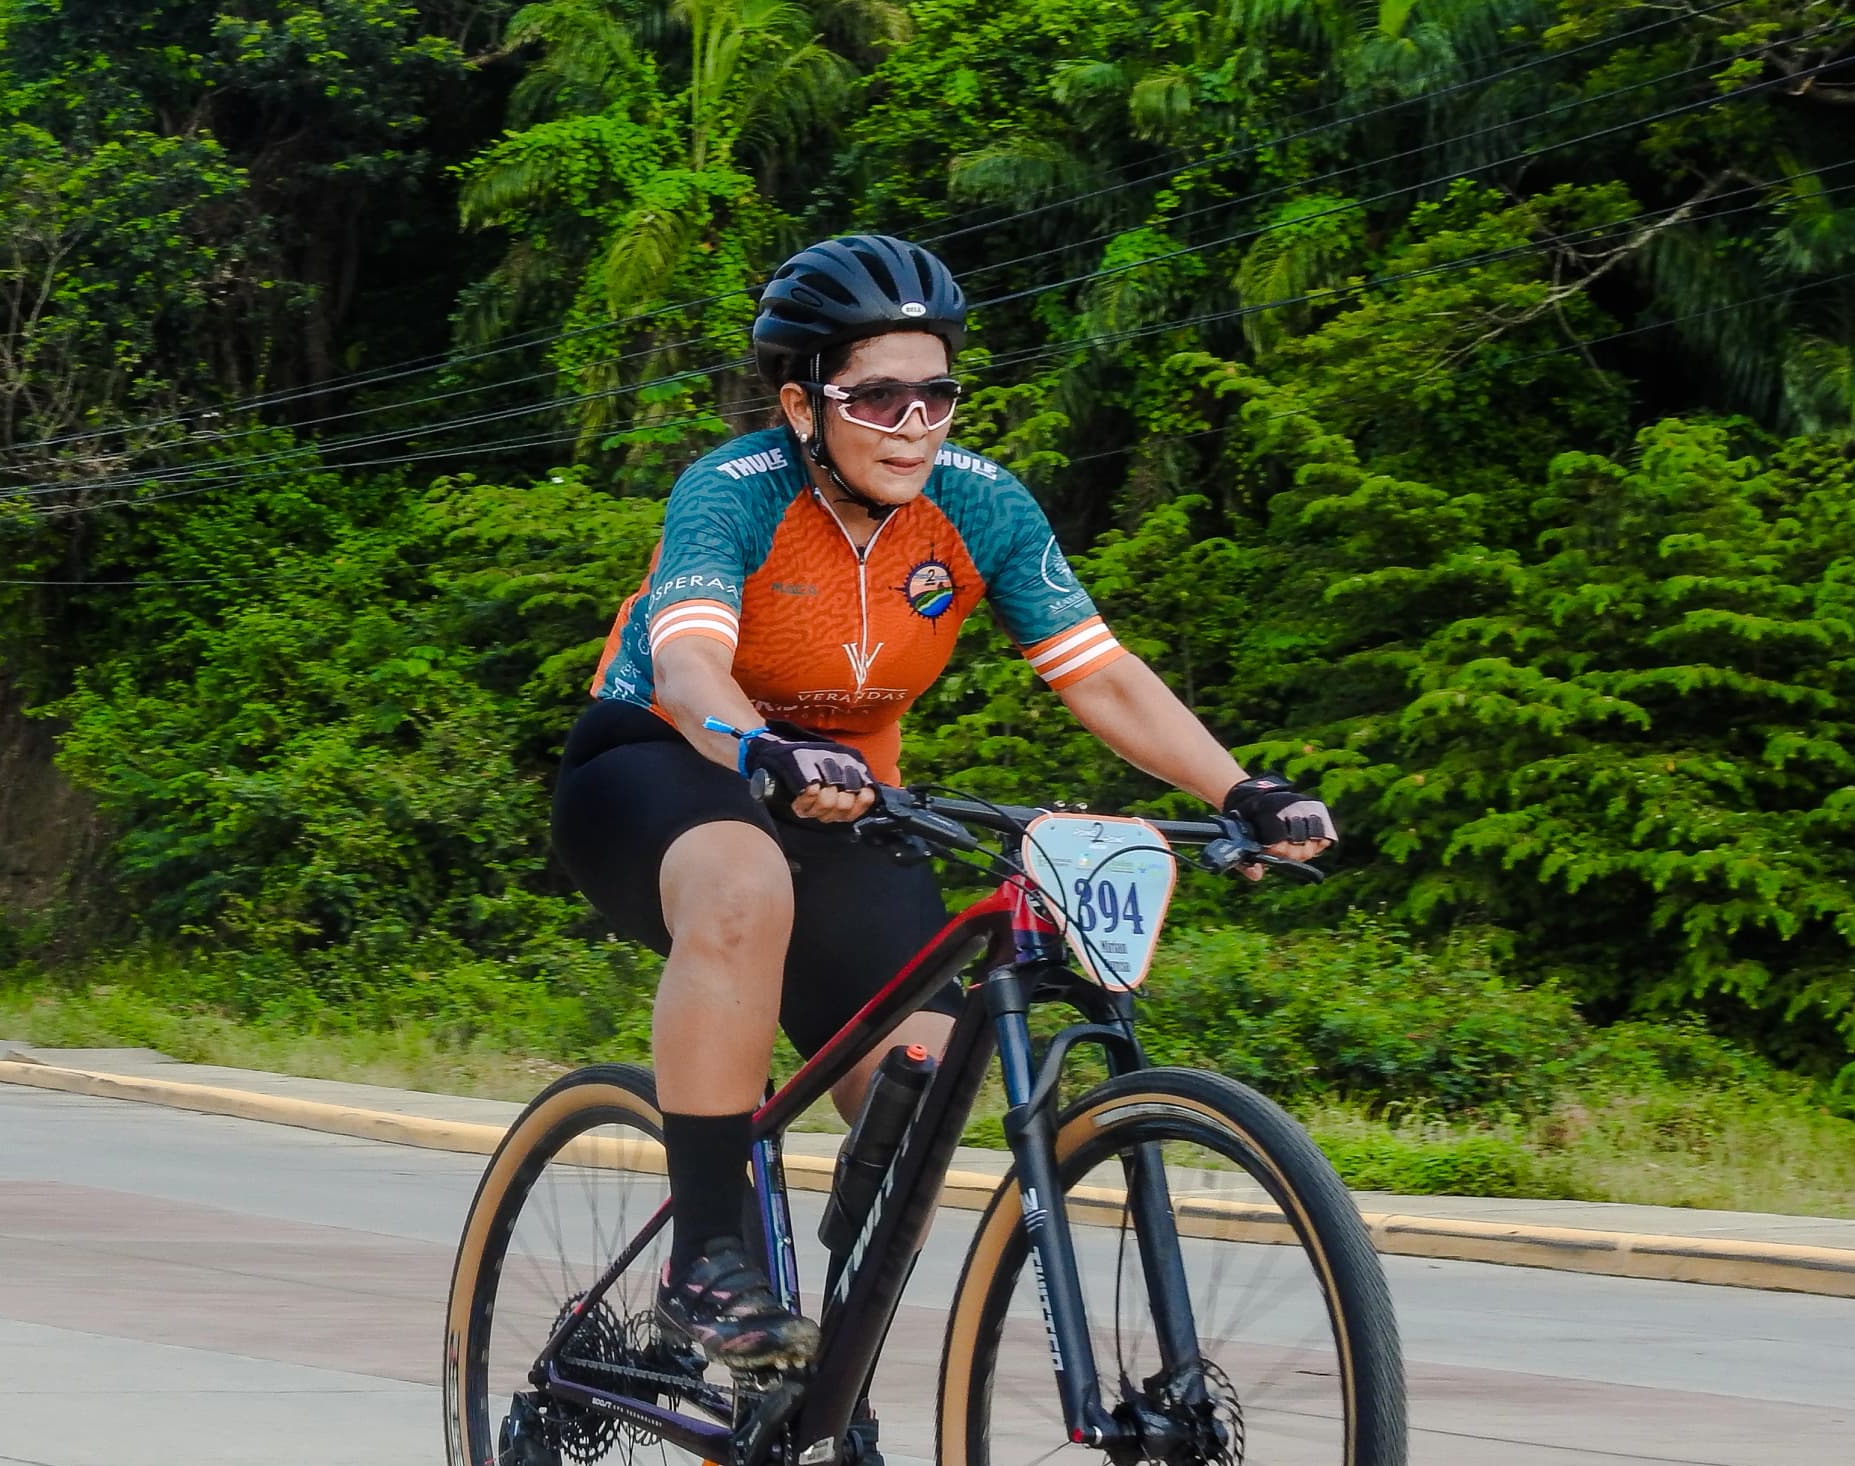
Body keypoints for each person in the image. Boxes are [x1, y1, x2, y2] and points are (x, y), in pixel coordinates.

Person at [552, 233, 1336, 1375]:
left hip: (850, 797)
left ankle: (821, 1395)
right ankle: (707, 1255)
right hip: (661, 762)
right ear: (801, 402)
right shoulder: (730, 490)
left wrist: (1239, 787)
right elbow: (686, 667)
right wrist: (761, 743)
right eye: (876, 395)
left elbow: (1099, 671)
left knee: (915, 1085)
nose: (913, 423)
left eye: (936, 393)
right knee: (741, 879)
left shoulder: (980, 508)